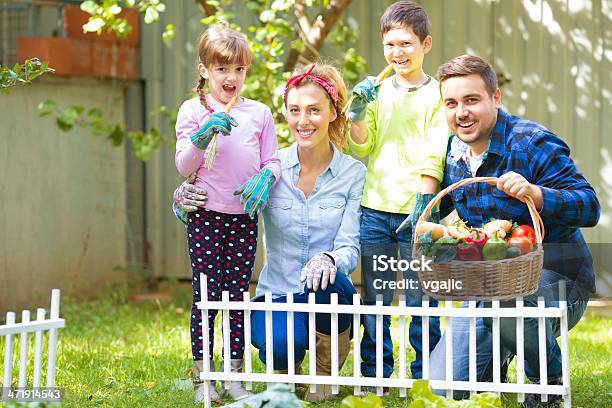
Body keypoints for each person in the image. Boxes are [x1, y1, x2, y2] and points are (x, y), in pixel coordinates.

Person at [418, 54, 600, 407]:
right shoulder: (452, 152)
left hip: (558, 281)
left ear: (495, 98)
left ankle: (547, 380)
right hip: (489, 288)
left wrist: (537, 194)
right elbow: (432, 213)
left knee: (511, 300)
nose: (461, 112)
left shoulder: (531, 142)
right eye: (451, 103)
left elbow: (589, 206)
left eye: (472, 100)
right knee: (445, 388)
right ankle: (503, 351)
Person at [174, 22, 280, 403]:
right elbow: (185, 165)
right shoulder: (192, 110)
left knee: (236, 296)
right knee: (206, 296)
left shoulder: (260, 113)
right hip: (206, 216)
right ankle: (204, 376)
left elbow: (273, 160)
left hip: (244, 217)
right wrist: (202, 136)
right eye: (222, 69)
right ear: (205, 70)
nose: (232, 77)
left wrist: (266, 177)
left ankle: (234, 375)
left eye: (239, 69)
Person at [344, 0, 448, 382]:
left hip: (419, 210)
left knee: (424, 301)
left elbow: (437, 148)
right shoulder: (377, 90)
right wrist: (355, 114)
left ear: (426, 44)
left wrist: (425, 202)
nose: (397, 52)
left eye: (406, 43)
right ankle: (376, 374)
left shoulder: (438, 94)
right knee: (375, 300)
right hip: (374, 210)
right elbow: (362, 145)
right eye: (390, 44)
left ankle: (428, 375)